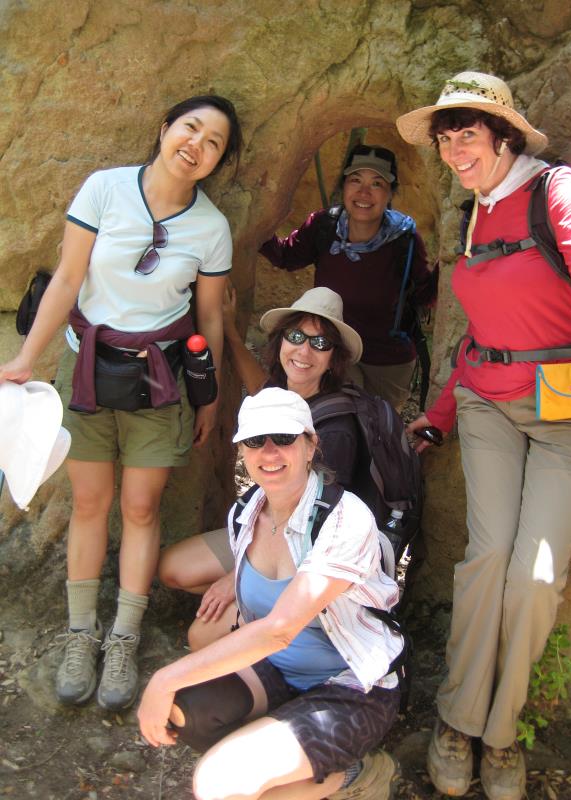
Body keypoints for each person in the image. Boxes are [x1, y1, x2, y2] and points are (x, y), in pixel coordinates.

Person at [0, 94, 243, 711]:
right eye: (191, 128)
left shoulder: (211, 228)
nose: (197, 144)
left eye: (214, 142)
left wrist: (206, 394)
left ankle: (124, 639)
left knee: (140, 507)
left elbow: (208, 316)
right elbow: (67, 278)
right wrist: (27, 358)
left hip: (159, 380)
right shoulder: (104, 190)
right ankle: (82, 634)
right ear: (164, 128)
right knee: (89, 501)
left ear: (218, 161)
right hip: (84, 370)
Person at [396, 71, 571, 800]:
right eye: (446, 136)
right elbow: (484, 339)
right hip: (487, 406)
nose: (454, 148)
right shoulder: (471, 213)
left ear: (504, 135)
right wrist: (441, 413)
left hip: (570, 412)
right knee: (486, 560)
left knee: (535, 578)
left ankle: (502, 733)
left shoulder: (556, 191)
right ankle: (457, 719)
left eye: (469, 133)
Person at [139, 387, 404, 800]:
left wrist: (163, 676)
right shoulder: (246, 512)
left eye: (284, 438)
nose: (270, 452)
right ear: (242, 449)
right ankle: (280, 759)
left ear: (311, 443)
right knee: (185, 710)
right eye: (254, 441)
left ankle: (353, 776)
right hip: (277, 670)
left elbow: (279, 629)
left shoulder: (344, 519)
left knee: (217, 783)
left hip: (350, 689)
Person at [158, 286, 365, 647]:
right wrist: (230, 329)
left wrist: (237, 576)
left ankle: (286, 618)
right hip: (263, 526)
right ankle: (264, 608)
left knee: (199, 639)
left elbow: (318, 526)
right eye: (296, 336)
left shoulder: (336, 428)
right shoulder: (279, 395)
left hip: (305, 552)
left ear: (334, 359)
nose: (303, 351)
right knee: (172, 568)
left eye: (319, 344)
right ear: (281, 341)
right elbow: (256, 383)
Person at [259, 143, 438, 412]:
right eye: (355, 180)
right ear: (343, 186)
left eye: (377, 183)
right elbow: (287, 256)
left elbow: (425, 293)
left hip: (387, 358)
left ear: (390, 192)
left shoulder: (404, 237)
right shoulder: (324, 226)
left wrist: (452, 261)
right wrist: (256, 222)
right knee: (336, 420)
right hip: (332, 348)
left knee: (378, 430)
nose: (364, 192)